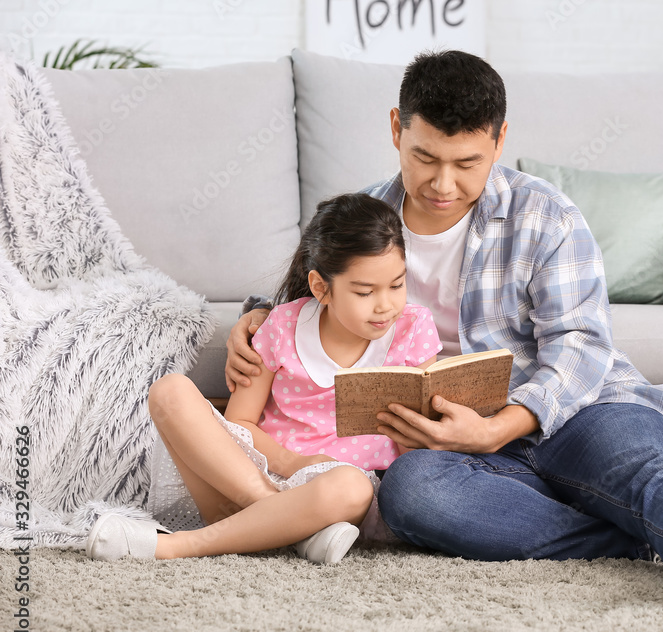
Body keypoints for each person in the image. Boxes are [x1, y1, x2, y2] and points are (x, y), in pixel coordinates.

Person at [225, 51, 663, 610]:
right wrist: (252, 320)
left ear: (499, 141)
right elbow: (309, 297)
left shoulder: (546, 216)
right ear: (396, 129)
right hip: (452, 449)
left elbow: (582, 346)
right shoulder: (363, 216)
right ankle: (628, 537)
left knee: (641, 466)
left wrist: (501, 427)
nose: (442, 183)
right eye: (424, 157)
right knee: (410, 494)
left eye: (467, 162)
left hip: (579, 412)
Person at [86, 193, 442, 564]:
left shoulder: (413, 330)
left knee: (351, 486)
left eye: (397, 285)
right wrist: (288, 464)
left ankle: (179, 546)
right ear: (321, 287)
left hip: (337, 496)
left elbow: (415, 440)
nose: (385, 305)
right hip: (254, 477)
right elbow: (239, 423)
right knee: (168, 391)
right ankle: (287, 526)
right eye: (365, 292)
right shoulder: (282, 325)